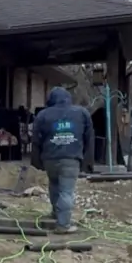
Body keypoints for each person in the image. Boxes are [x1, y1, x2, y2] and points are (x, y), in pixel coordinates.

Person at [30, 87, 94, 233]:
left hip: (50, 159)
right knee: (66, 191)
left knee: (54, 185)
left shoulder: (43, 115)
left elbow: (36, 140)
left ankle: (56, 214)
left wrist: (36, 161)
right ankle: (63, 225)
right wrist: (87, 160)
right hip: (71, 158)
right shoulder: (82, 113)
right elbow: (89, 137)